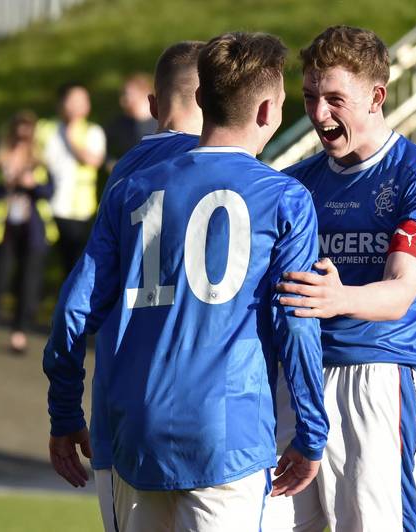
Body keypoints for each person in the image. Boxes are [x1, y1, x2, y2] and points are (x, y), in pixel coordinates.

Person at [43, 32, 328, 532]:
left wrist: (65, 410)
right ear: (267, 112)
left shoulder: (131, 186)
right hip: (227, 434)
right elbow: (297, 320)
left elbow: (74, 309)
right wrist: (311, 428)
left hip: (136, 428)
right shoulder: (285, 198)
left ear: (201, 99)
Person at [267, 26, 416, 532]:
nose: (319, 114)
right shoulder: (296, 184)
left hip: (371, 377)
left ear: (377, 96)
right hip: (295, 379)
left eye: (334, 99)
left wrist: (338, 297)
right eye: (310, 98)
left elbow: (400, 293)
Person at [89, 39, 205, 532]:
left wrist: (62, 406)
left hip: (124, 409)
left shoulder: (123, 174)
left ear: (154, 106)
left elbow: (82, 299)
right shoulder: (235, 174)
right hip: (211, 414)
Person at [0, 110, 58, 355]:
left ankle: (19, 332)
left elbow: (49, 191)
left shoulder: (40, 164)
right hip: (2, 230)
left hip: (32, 231)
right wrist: (6, 183)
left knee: (27, 283)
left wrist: (31, 185)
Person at [36, 82, 106, 276]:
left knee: (73, 266)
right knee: (35, 265)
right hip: (45, 207)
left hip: (78, 211)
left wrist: (71, 138)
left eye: (82, 100)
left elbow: (93, 160)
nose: (77, 106)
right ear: (61, 103)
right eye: (72, 100)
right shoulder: (45, 128)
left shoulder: (92, 131)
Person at [103, 73, 158, 174]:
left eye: (127, 94)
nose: (122, 100)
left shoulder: (162, 122)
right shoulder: (118, 123)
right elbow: (101, 145)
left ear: (143, 93)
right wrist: (111, 164)